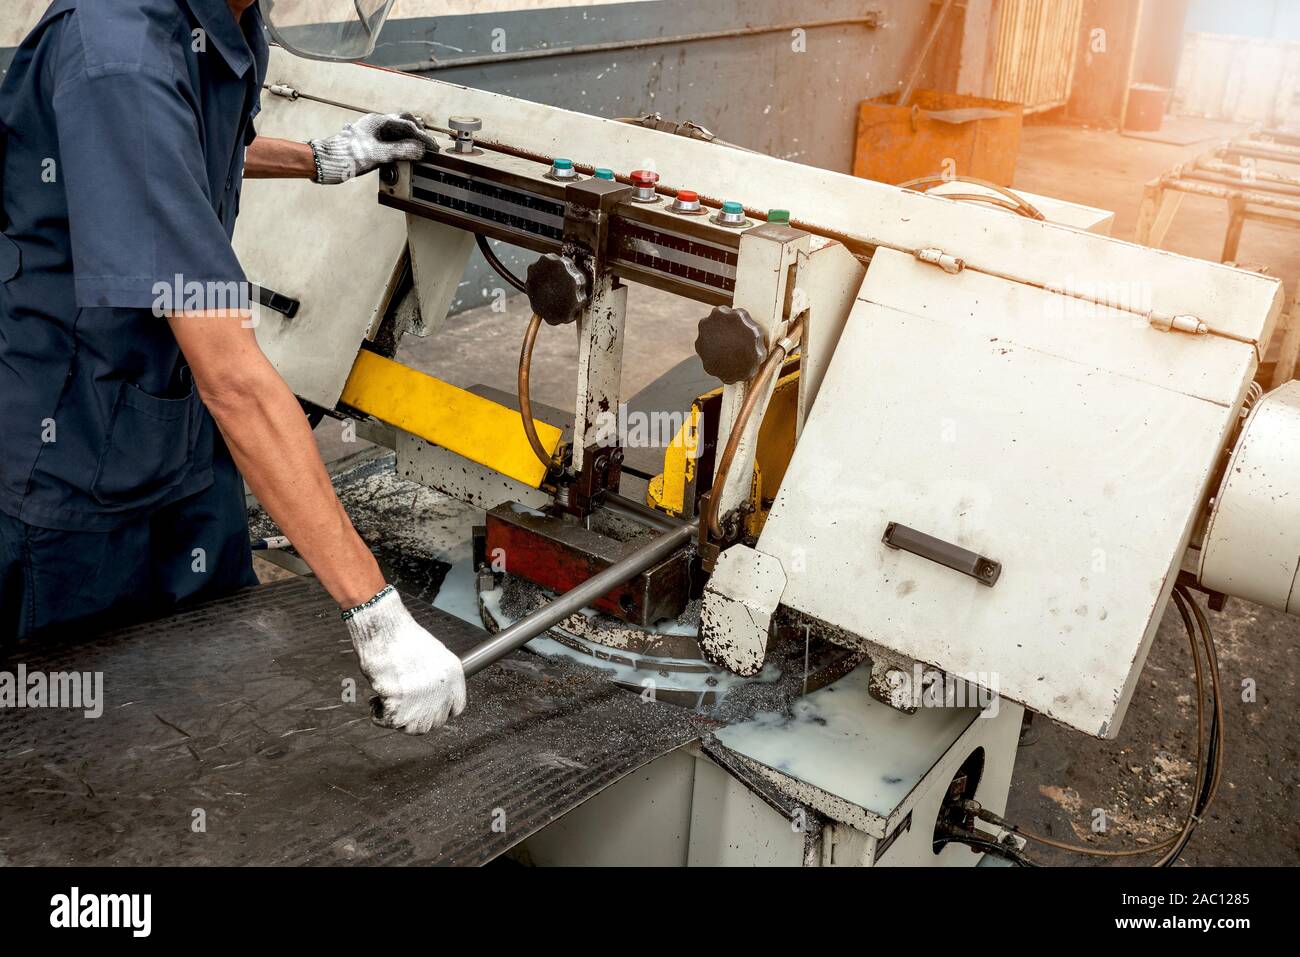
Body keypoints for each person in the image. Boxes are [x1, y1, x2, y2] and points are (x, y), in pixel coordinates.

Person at [0, 0, 465, 733]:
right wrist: (376, 614)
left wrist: (322, 156)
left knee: (213, 693)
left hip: (173, 426)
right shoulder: (118, 48)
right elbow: (235, 382)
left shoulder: (229, 24)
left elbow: (186, 153)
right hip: (73, 449)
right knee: (73, 746)